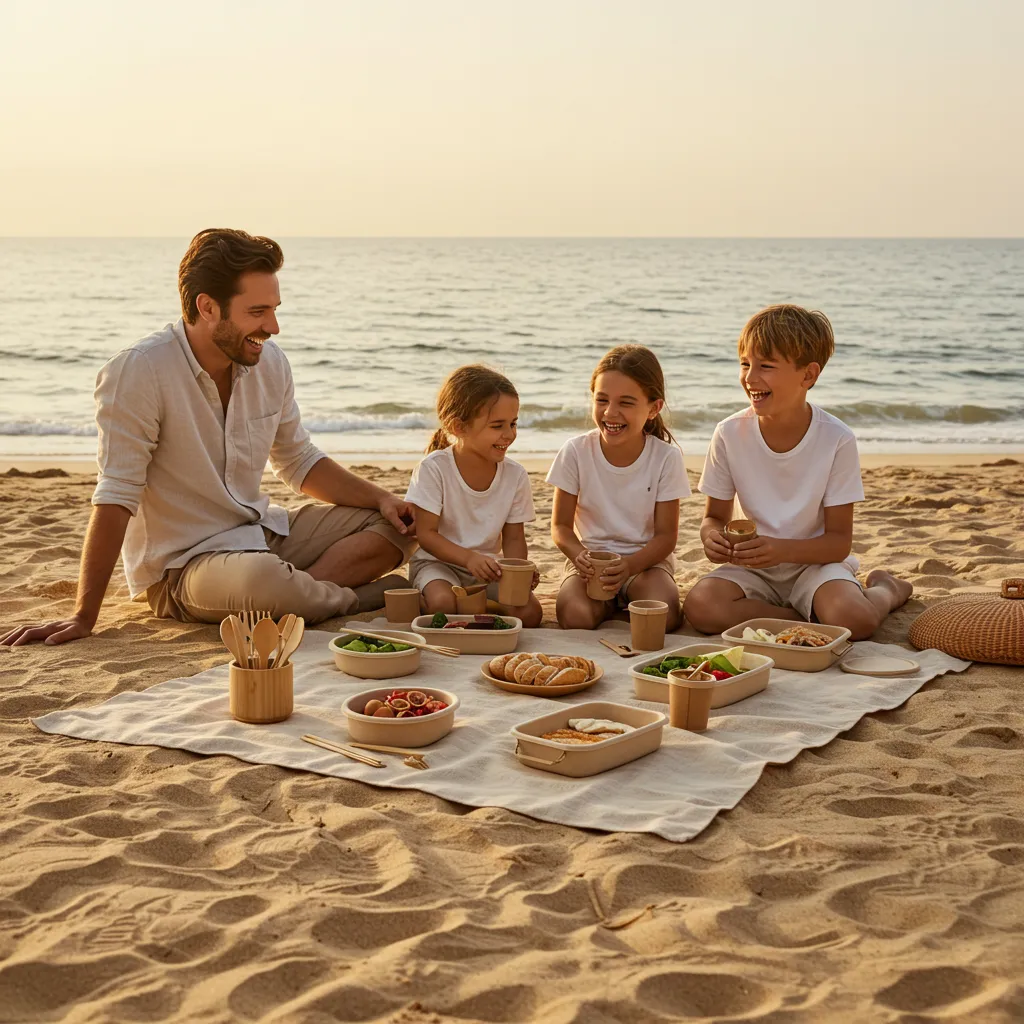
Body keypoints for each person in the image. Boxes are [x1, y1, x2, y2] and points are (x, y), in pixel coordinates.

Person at [1, 228, 417, 647]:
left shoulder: (269, 363)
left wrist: (383, 498)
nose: (272, 326)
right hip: (185, 566)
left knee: (403, 523)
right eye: (257, 311)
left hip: (260, 535)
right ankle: (349, 599)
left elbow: (298, 460)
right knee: (260, 580)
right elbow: (116, 494)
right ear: (207, 307)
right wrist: (83, 615)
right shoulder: (140, 370)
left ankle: (301, 594)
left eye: (274, 309)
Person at [682, 304, 912, 640]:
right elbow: (713, 517)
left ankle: (886, 591)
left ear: (808, 375)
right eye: (745, 364)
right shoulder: (729, 433)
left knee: (856, 621)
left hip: (814, 565)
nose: (750, 377)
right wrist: (710, 537)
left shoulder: (836, 439)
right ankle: (802, 616)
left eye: (766, 366)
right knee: (701, 607)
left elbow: (838, 543)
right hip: (753, 569)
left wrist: (782, 550)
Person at [548, 344, 689, 630]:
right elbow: (560, 527)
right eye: (602, 400)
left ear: (653, 408)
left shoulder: (666, 458)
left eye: (626, 403)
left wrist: (630, 567)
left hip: (646, 565)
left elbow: (666, 538)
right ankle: (606, 609)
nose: (610, 413)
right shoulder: (575, 451)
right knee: (574, 616)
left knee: (664, 616)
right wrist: (579, 556)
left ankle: (614, 610)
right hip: (589, 562)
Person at [404, 365, 543, 627]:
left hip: (488, 569)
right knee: (443, 606)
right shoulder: (434, 468)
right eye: (497, 425)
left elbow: (514, 537)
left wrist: (518, 571)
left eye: (513, 424)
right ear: (459, 427)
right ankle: (425, 599)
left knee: (530, 614)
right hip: (439, 565)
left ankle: (476, 608)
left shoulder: (515, 475)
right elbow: (427, 535)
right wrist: (469, 559)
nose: (509, 434)